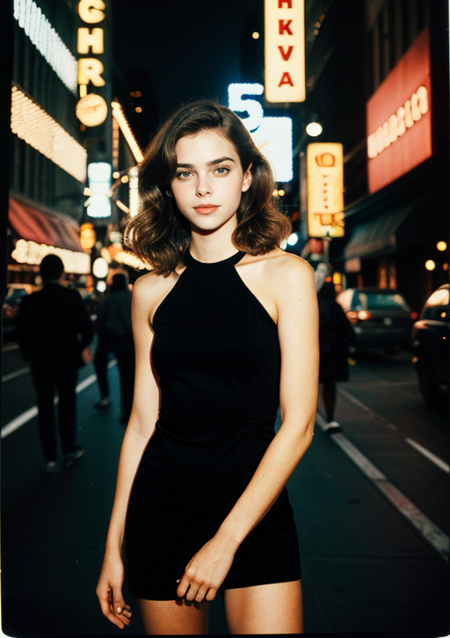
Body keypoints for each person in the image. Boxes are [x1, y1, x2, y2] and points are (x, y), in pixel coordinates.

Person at [96, 100, 319, 634]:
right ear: (167, 186)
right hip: (161, 515)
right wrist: (113, 544)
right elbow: (143, 425)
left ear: (247, 177)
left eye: (219, 170)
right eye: (185, 173)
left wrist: (227, 539)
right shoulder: (149, 289)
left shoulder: (286, 276)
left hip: (254, 516)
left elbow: (299, 425)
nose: (203, 188)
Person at [15, 254, 94, 471]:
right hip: (67, 361)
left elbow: (20, 334)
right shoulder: (72, 297)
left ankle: (49, 456)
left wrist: (30, 355)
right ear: (62, 272)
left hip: (41, 363)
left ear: (41, 273)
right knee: (67, 405)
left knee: (45, 406)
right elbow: (87, 330)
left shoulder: (31, 301)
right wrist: (76, 349)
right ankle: (68, 449)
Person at [316, 275, 356, 434]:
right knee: (329, 385)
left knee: (310, 386)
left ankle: (305, 418)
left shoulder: (311, 306)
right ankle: (330, 418)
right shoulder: (336, 307)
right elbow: (348, 331)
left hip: (314, 351)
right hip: (333, 351)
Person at [96, 273, 135, 424]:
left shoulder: (108, 299)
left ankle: (104, 396)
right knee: (127, 379)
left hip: (109, 340)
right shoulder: (131, 297)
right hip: (128, 342)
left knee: (100, 363)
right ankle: (127, 411)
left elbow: (100, 321)